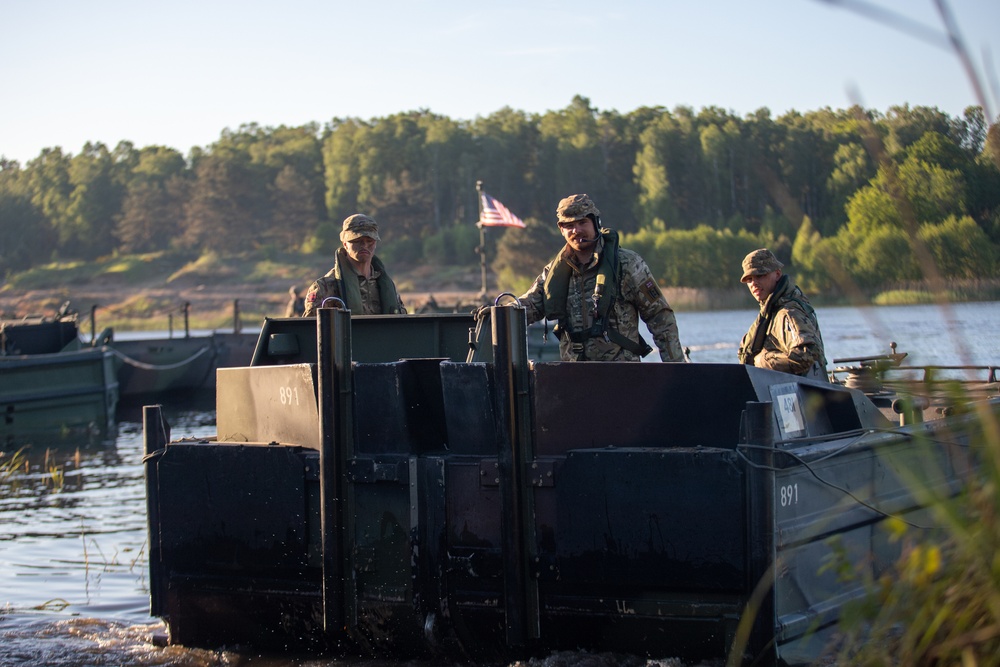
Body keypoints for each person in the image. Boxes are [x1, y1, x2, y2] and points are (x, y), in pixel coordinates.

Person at [516, 194, 685, 362]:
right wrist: (498, 313)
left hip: (621, 374)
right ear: (561, 229)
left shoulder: (627, 264)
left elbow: (660, 317)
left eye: (582, 222)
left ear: (596, 223)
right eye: (569, 225)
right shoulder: (554, 272)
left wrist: (676, 368)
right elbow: (529, 306)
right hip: (573, 376)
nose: (576, 231)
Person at [737, 248, 828, 379]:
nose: (754, 283)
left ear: (777, 274)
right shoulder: (770, 311)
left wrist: (761, 361)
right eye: (749, 279)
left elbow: (806, 356)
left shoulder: (788, 313)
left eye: (760, 276)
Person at [302, 214, 406, 317]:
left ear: (375, 243)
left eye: (369, 241)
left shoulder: (385, 286)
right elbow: (310, 330)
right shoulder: (325, 287)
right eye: (357, 241)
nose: (364, 245)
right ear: (345, 244)